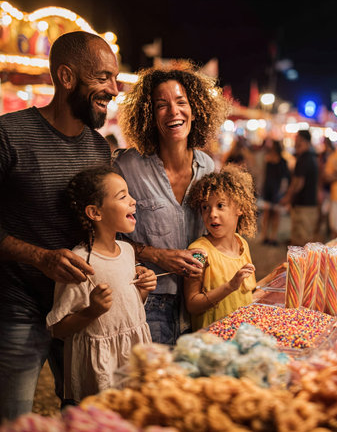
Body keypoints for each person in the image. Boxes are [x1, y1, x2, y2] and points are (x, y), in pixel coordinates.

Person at [0, 31, 119, 420]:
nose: (114, 89)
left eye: (114, 78)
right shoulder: (9, 134)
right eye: (103, 78)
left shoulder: (99, 147)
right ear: (67, 77)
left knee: (86, 415)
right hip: (18, 307)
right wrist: (40, 258)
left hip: (78, 309)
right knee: (15, 417)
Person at [113, 60, 230, 345]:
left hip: (200, 299)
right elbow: (106, 240)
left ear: (196, 108)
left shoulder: (207, 166)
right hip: (148, 303)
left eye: (181, 101)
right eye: (161, 105)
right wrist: (156, 255)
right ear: (149, 115)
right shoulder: (127, 167)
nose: (173, 112)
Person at [46, 165, 155, 403]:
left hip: (132, 357)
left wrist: (143, 289)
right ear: (95, 212)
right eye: (123, 196)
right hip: (101, 366)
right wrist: (92, 311)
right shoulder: (81, 261)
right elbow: (59, 329)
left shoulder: (127, 251)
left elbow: (130, 307)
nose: (133, 201)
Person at [184, 164, 257, 331]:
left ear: (240, 208)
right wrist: (229, 286)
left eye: (220, 205)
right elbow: (192, 304)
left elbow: (246, 295)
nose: (212, 214)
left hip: (241, 339)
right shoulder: (199, 253)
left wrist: (273, 277)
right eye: (205, 207)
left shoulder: (242, 244)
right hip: (213, 344)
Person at [281, 130, 319, 246]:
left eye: (297, 139)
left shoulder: (304, 159)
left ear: (303, 140)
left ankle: (300, 264)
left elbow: (298, 182)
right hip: (307, 204)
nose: (295, 142)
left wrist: (288, 197)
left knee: (302, 240)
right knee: (302, 238)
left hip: (304, 205)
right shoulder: (311, 157)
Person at [260, 139, 290, 246]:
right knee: (268, 213)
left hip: (277, 189)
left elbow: (285, 178)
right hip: (269, 189)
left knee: (275, 213)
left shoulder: (281, 161)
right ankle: (266, 235)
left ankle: (272, 236)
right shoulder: (269, 159)